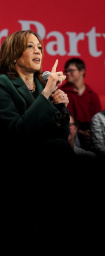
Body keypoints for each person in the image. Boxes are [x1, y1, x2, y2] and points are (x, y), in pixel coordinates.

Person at [0, 30, 75, 173]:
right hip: (17, 157)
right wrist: (46, 94)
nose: (37, 51)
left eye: (39, 48)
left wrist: (61, 107)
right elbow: (16, 133)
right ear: (14, 54)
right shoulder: (3, 83)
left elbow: (63, 135)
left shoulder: (41, 84)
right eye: (30, 46)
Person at [59, 57, 102, 151]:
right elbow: (64, 119)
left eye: (71, 70)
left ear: (82, 71)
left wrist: (92, 133)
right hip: (71, 130)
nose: (67, 74)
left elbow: (98, 119)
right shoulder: (61, 92)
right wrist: (80, 132)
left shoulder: (92, 95)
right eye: (66, 71)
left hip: (91, 132)